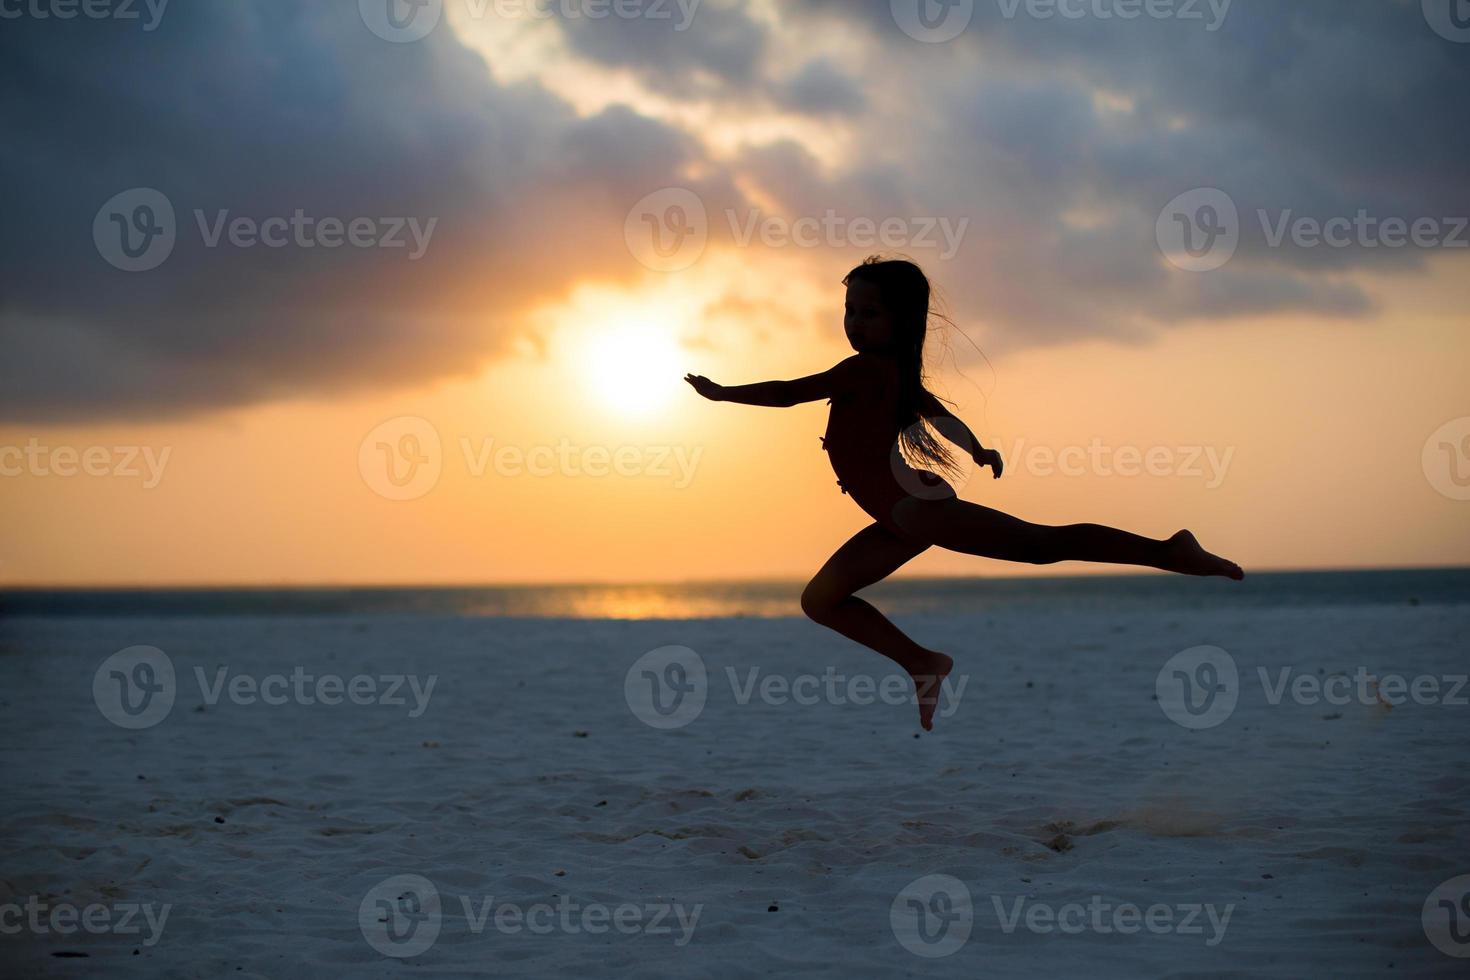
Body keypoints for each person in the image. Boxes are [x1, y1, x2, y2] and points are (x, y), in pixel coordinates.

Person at [685, 256, 1244, 731]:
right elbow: (937, 415)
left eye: (869, 313)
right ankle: (922, 664)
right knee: (820, 600)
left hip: (917, 510)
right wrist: (976, 450)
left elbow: (791, 392)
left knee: (1041, 545)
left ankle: (1168, 551)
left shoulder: (864, 371)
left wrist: (724, 393)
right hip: (901, 518)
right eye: (849, 311)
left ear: (900, 321)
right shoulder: (894, 374)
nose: (855, 323)